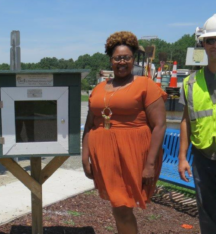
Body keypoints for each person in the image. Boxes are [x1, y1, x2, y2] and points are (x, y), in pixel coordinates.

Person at [82, 31, 167, 234]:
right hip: (105, 157)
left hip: (133, 154)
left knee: (122, 208)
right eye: (117, 58)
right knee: (117, 206)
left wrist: (150, 164)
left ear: (133, 59)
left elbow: (160, 125)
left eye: (126, 57)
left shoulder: (145, 85)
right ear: (110, 60)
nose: (122, 62)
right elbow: (89, 124)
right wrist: (84, 156)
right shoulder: (99, 88)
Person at [178, 14, 216, 233]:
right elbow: (185, 121)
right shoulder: (190, 82)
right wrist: (182, 157)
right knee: (208, 214)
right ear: (203, 44)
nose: (215, 45)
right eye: (211, 40)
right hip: (203, 159)